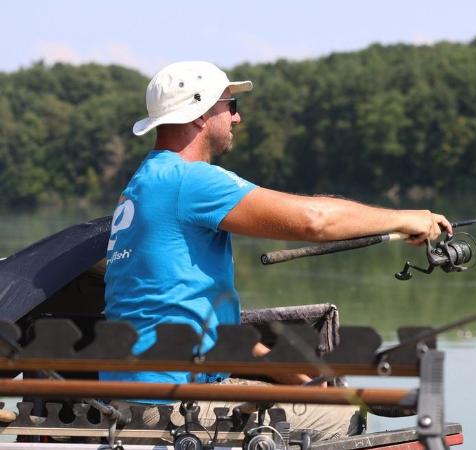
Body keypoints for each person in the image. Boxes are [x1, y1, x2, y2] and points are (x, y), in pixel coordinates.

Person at [102, 61, 452, 442]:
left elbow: (186, 319)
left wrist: (286, 370)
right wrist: (406, 219)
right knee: (345, 414)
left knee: (311, 396)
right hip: (168, 404)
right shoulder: (189, 180)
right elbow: (314, 221)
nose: (237, 118)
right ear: (200, 114)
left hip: (140, 393)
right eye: (231, 105)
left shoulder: (140, 186)